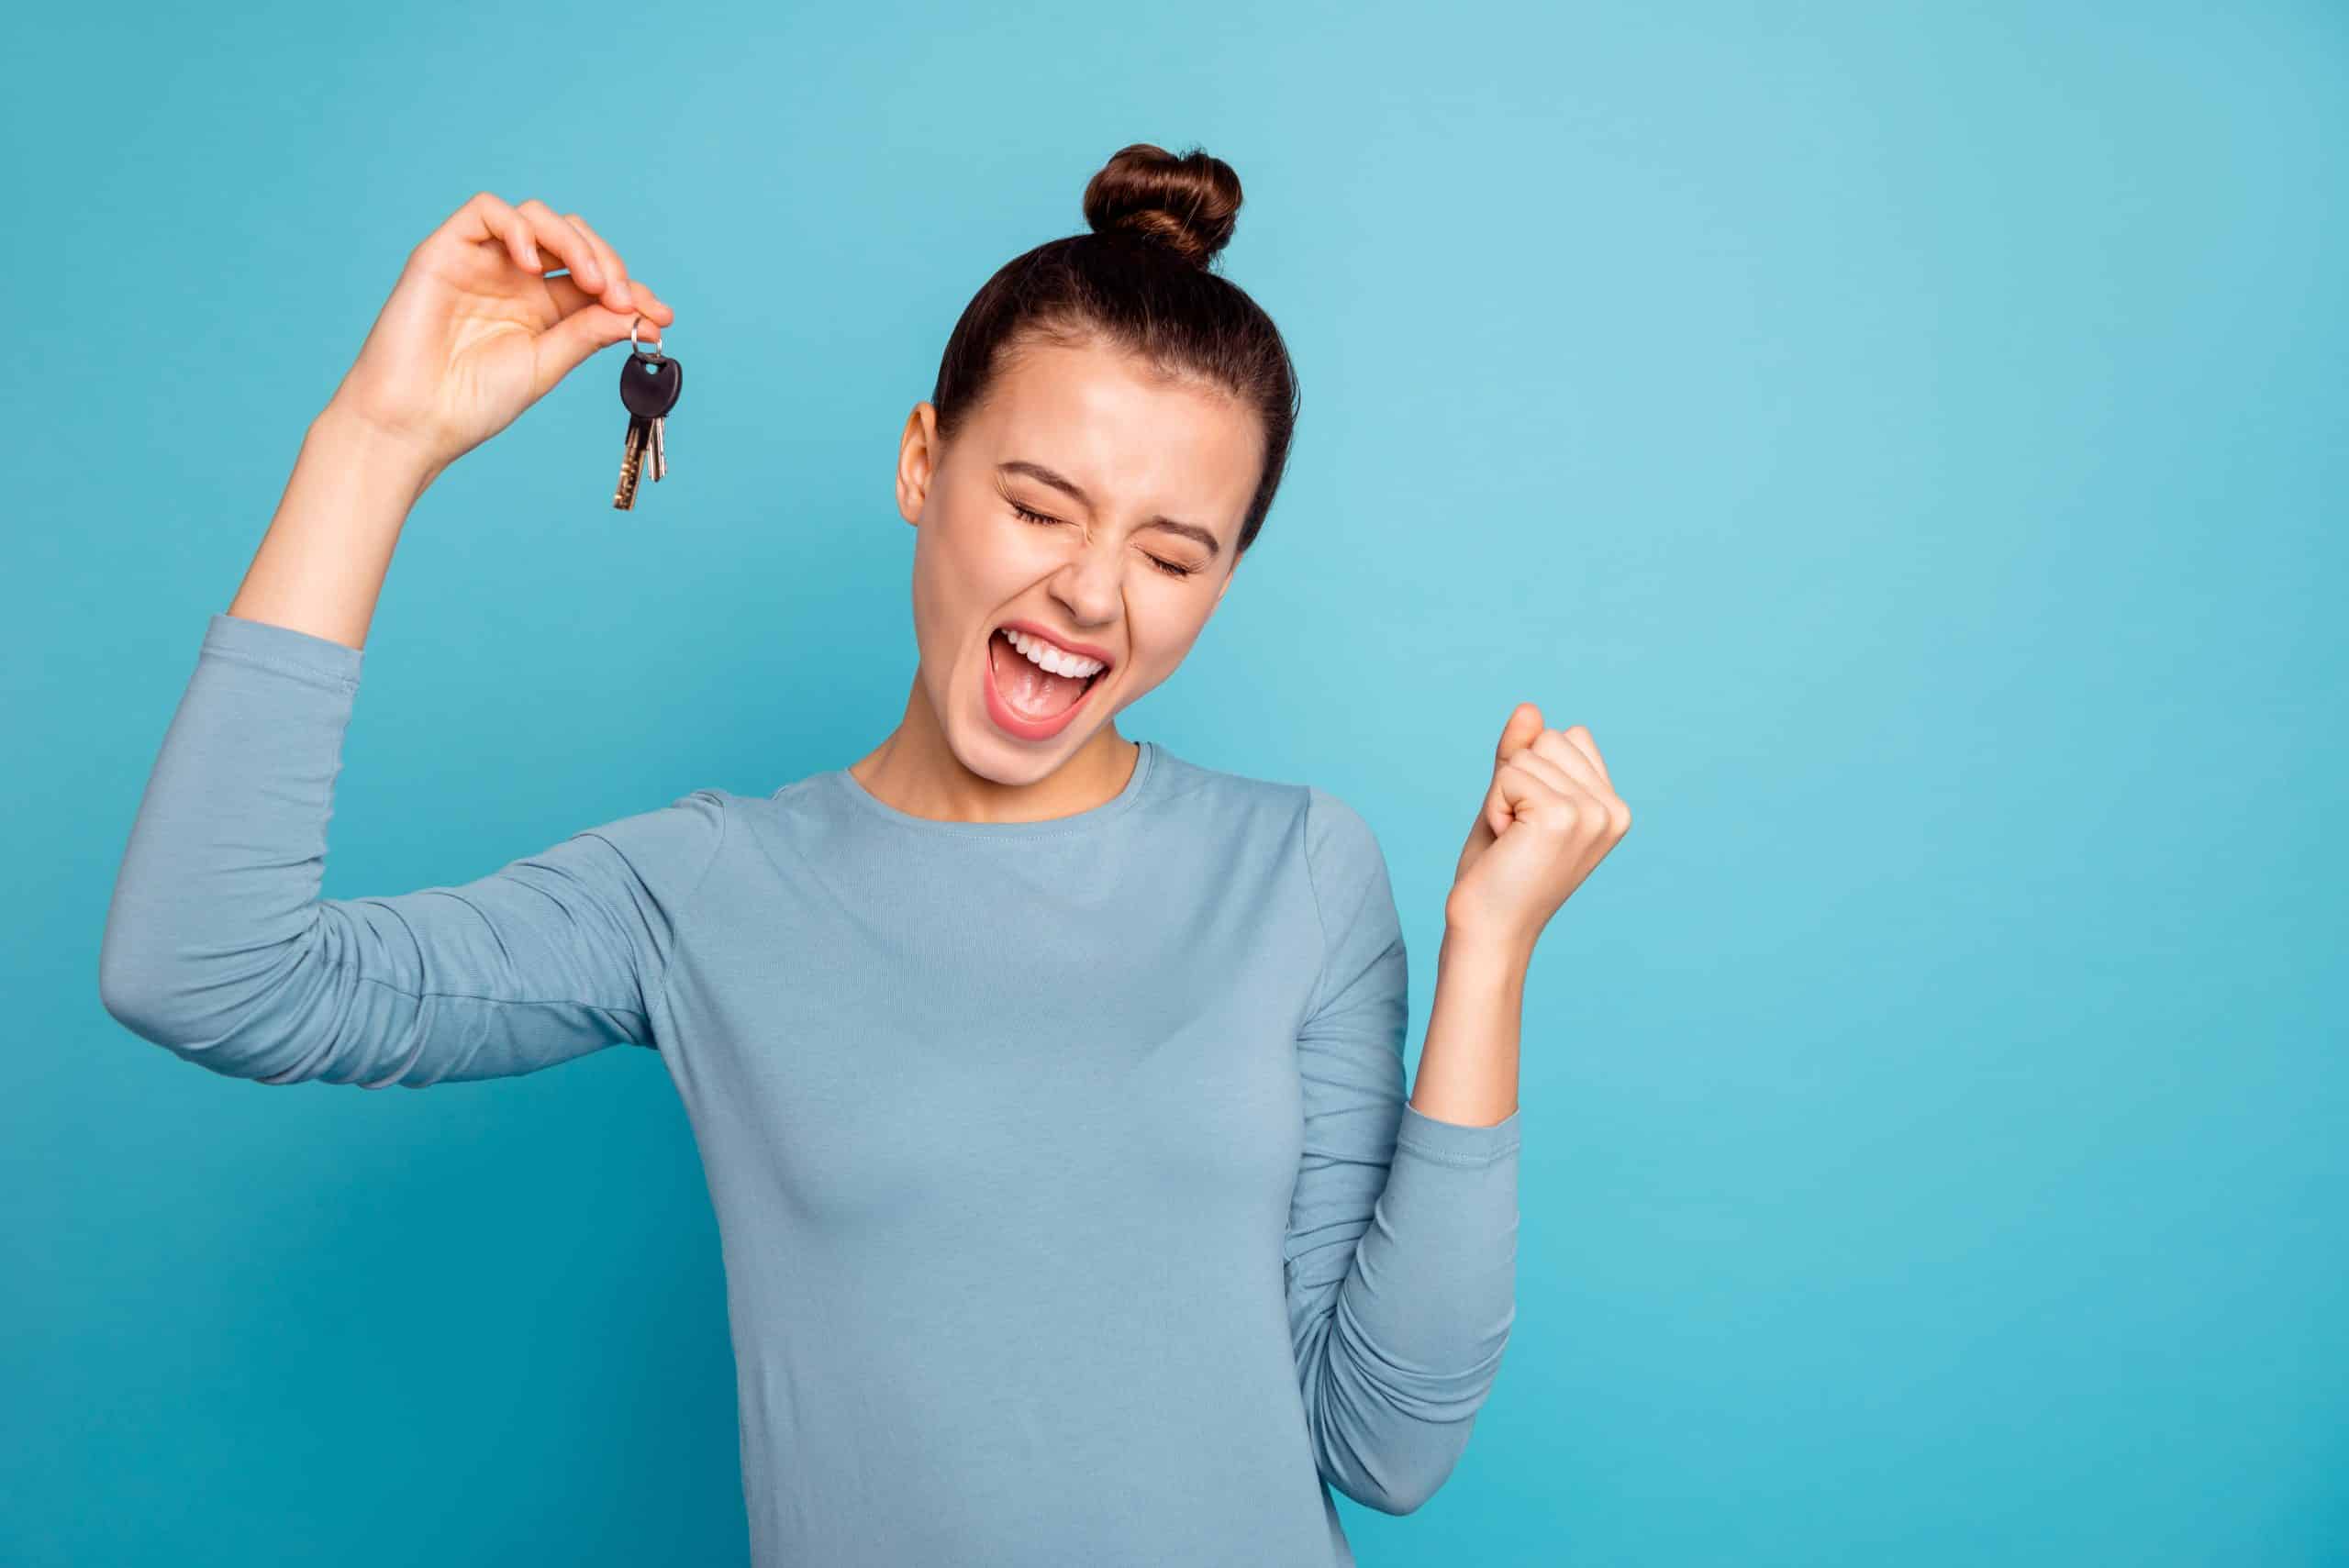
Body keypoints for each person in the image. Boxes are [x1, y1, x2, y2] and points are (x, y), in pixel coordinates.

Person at [99, 142, 1631, 1567]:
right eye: (1039, 504)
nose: (1093, 592)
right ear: (922, 465)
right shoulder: (704, 892)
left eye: (1174, 556)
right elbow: (210, 973)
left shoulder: (1297, 868)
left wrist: (1489, 950)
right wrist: (375, 442)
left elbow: (1387, 1442)